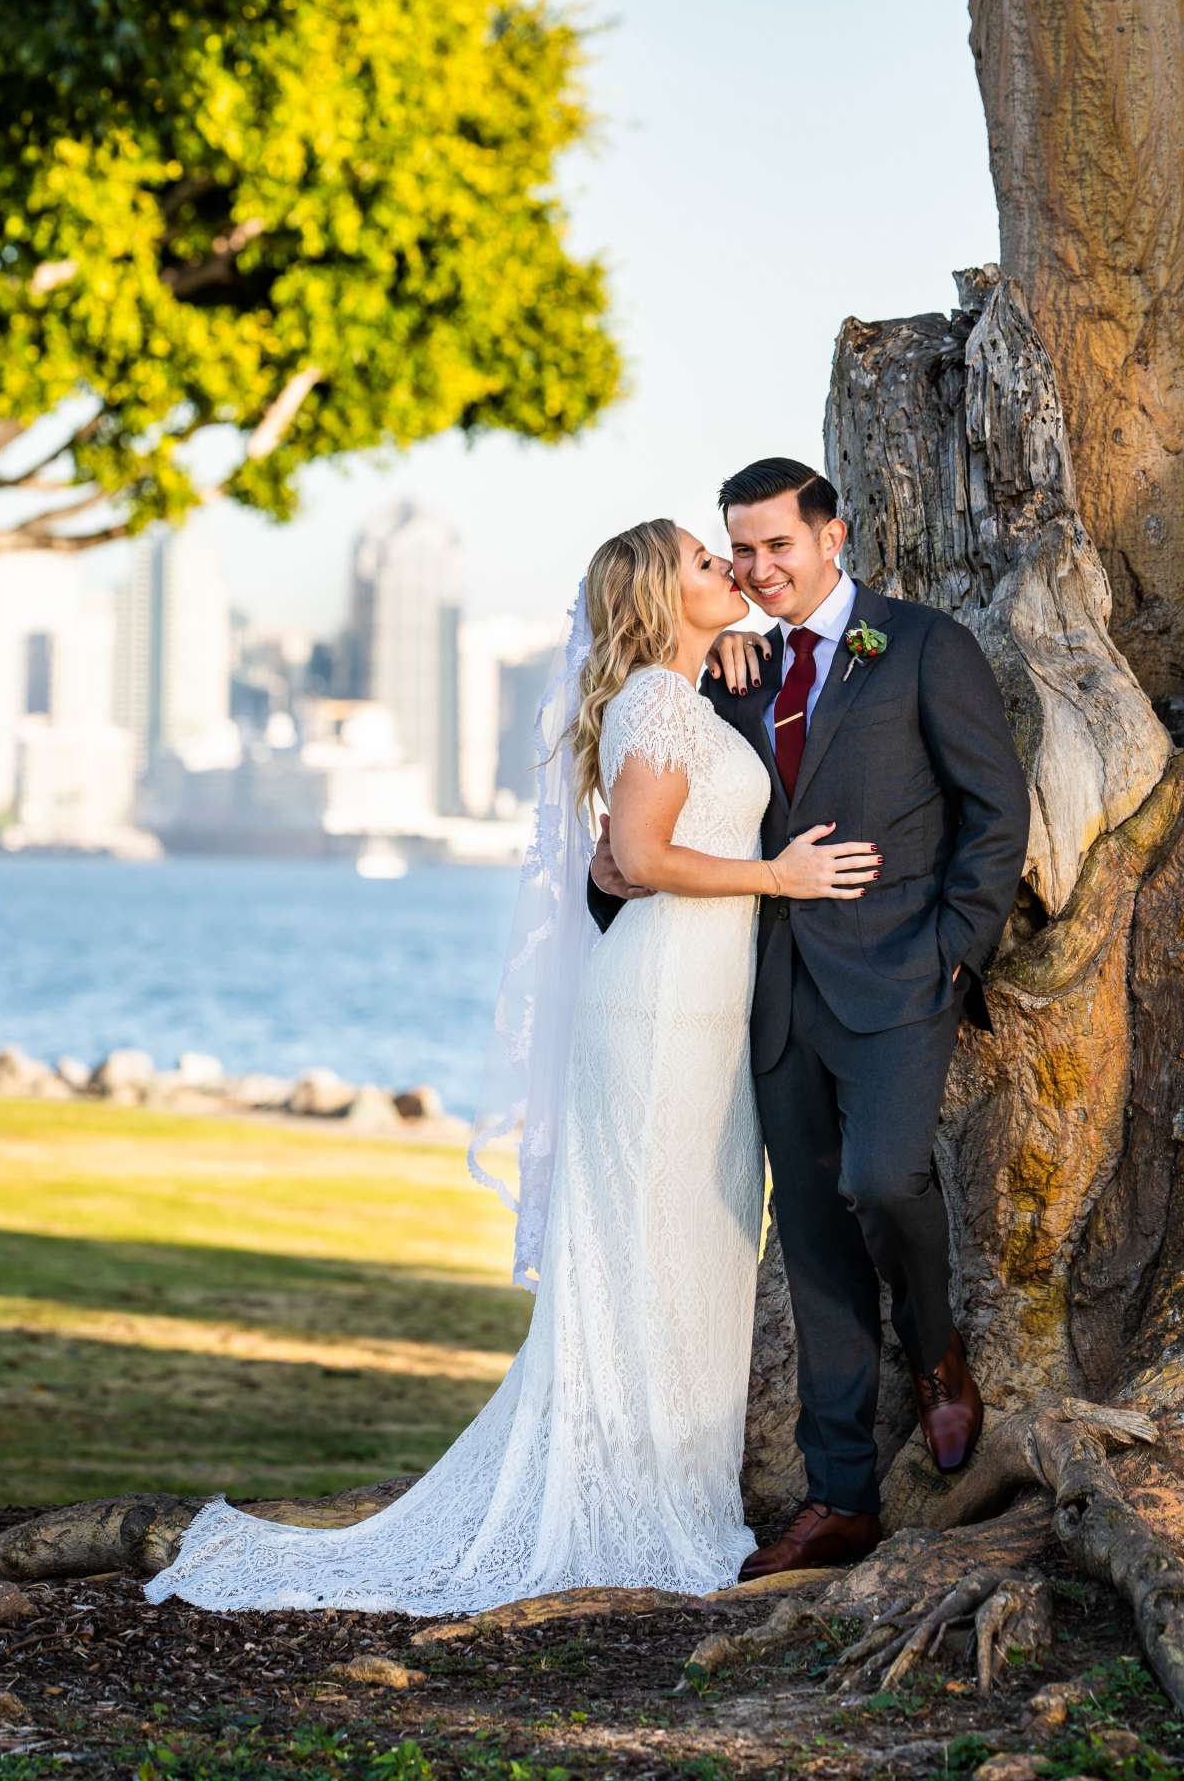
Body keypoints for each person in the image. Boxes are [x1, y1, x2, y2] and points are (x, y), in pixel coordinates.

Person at [143, 516, 878, 1616]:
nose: (726, 568)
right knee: (649, 1254)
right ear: (654, 592)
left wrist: (736, 663)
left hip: (710, 1010)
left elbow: (621, 859)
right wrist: (781, 877)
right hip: (660, 1010)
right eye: (700, 559)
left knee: (693, 1251)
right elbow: (636, 858)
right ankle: (629, 1507)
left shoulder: (690, 692)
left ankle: (669, 1492)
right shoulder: (651, 702)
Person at [590, 459, 1030, 1580]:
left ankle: (936, 1354)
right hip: (771, 995)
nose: (755, 568)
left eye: (776, 545)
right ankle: (837, 1499)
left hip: (899, 984)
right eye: (738, 550)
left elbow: (993, 810)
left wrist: (949, 955)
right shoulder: (729, 671)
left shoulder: (923, 645)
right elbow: (661, 831)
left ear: (832, 535)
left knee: (884, 1181)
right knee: (815, 1243)